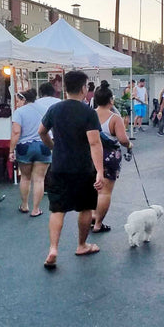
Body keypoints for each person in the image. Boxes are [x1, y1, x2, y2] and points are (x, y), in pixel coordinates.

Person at [37, 70, 104, 269]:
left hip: (59, 167)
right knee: (85, 208)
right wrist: (100, 171)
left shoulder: (55, 109)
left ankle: (53, 249)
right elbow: (94, 143)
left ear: (65, 88)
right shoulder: (88, 112)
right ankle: (82, 245)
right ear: (84, 89)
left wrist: (52, 146)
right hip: (83, 168)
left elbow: (41, 132)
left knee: (57, 209)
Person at [91, 87, 130, 233]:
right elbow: (122, 139)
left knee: (93, 189)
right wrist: (129, 145)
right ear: (110, 100)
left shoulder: (90, 115)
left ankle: (92, 216)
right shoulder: (115, 118)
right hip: (109, 156)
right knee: (105, 192)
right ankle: (98, 224)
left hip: (91, 155)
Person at [9, 88, 51, 217]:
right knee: (39, 179)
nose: (17, 103)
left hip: (24, 147)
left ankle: (25, 205)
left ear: (24, 99)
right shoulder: (45, 110)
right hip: (43, 145)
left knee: (26, 178)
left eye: (19, 100)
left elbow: (16, 132)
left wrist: (11, 150)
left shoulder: (19, 112)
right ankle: (36, 209)